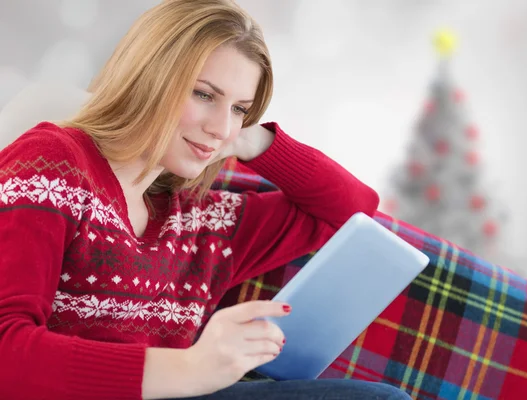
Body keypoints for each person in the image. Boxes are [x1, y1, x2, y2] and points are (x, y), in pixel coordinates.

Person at [0, 1, 412, 399]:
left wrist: (253, 139)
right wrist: (194, 368)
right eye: (203, 95)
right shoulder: (54, 161)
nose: (221, 127)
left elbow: (352, 210)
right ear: (148, 76)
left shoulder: (204, 223)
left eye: (239, 108)